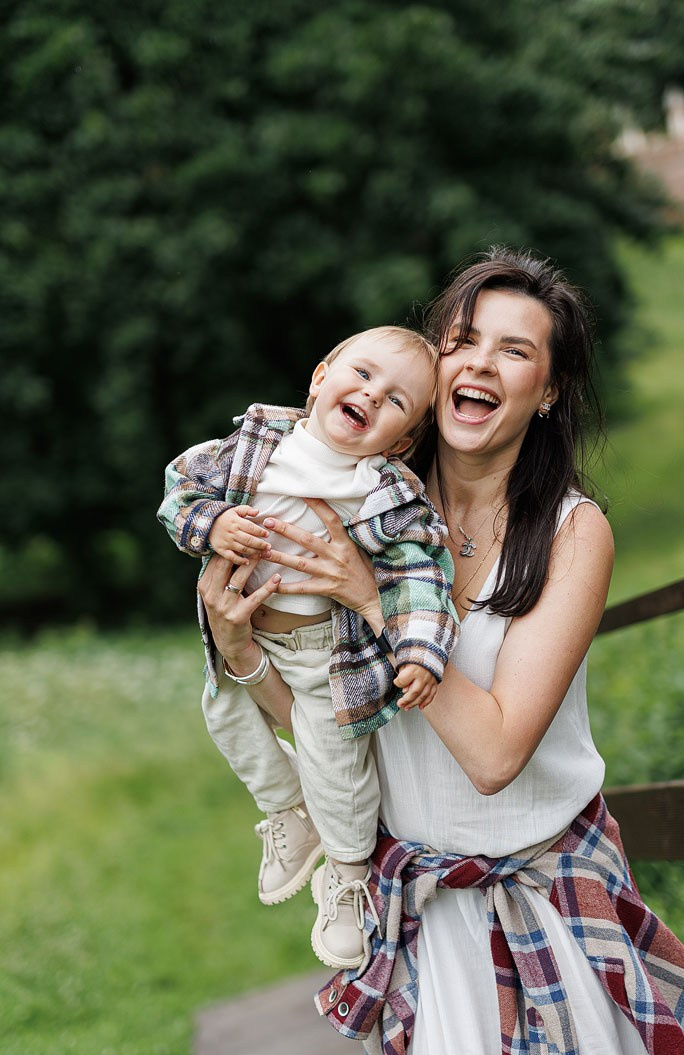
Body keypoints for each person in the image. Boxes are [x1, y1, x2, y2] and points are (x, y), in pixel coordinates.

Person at [196, 250, 684, 1055]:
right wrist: (241, 653)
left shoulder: (568, 531)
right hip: (430, 929)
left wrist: (374, 600)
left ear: (548, 389)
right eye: (462, 340)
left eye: (513, 351)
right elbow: (324, 714)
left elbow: (496, 753)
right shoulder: (368, 506)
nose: (477, 365)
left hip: (552, 913)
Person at [157, 325, 459, 972]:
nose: (373, 396)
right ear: (321, 376)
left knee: (337, 761)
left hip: (330, 656)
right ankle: (290, 813)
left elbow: (420, 575)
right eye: (363, 375)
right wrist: (212, 522)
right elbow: (179, 487)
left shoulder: (383, 493)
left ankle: (348, 882)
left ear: (401, 441)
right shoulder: (254, 445)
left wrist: (419, 652)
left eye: (397, 401)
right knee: (224, 715)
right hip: (249, 624)